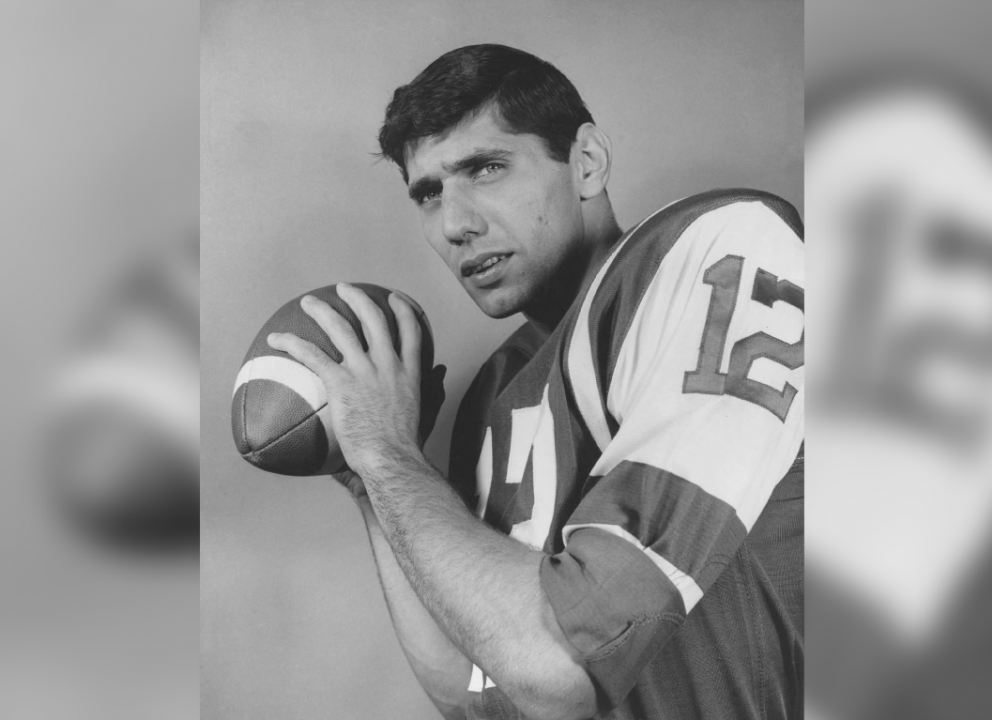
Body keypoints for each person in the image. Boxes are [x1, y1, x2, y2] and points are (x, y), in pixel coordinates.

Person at [268, 44, 804, 720]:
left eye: (486, 168)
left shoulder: (712, 246)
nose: (455, 224)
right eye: (429, 194)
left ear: (587, 162)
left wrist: (386, 451)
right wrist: (372, 481)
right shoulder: (498, 386)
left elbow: (556, 670)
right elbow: (477, 695)